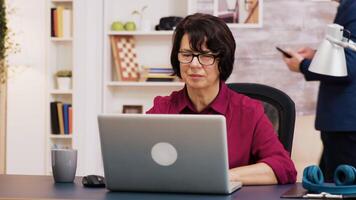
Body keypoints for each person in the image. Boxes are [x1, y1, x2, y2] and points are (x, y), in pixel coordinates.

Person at [147, 13, 297, 185]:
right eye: (187, 54)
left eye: (206, 56)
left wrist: (223, 177)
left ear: (222, 61)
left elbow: (284, 168)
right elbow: (137, 161)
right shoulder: (162, 109)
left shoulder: (249, 111)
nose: (194, 64)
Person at [282, 0, 356, 181]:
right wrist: (317, 54)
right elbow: (347, 52)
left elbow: (348, 66)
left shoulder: (352, 7)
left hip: (345, 125)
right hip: (343, 124)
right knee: (330, 186)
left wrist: (303, 65)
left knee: (341, 188)